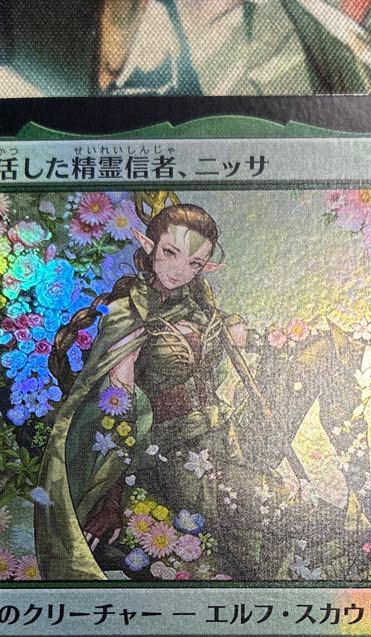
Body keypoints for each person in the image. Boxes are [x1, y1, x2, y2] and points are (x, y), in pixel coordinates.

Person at [35, 202, 339, 580]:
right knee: (278, 503)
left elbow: (252, 347)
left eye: (194, 263)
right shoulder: (128, 315)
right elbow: (118, 409)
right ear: (148, 245)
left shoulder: (199, 311)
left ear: (205, 266)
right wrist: (112, 497)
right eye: (170, 253)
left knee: (280, 529)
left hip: (224, 439)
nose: (179, 270)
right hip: (172, 456)